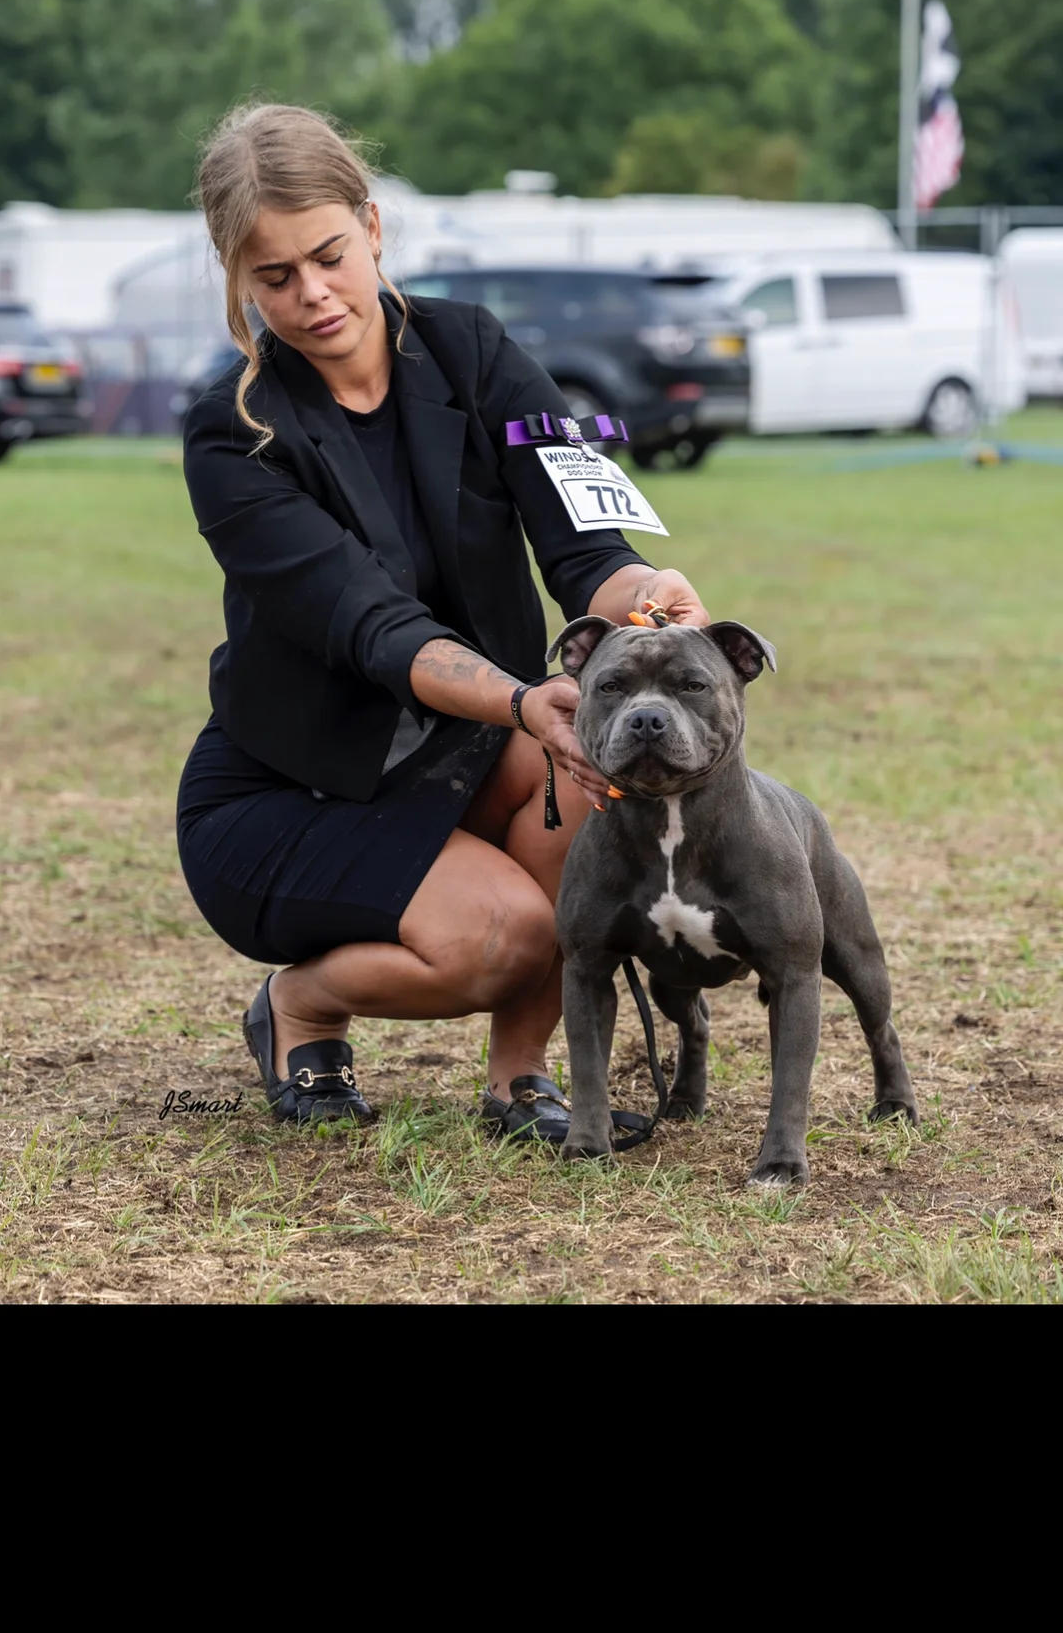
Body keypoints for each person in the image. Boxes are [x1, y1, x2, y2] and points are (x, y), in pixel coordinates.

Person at [178, 104, 710, 1143]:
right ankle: (301, 1006)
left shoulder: (475, 348)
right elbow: (373, 627)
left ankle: (520, 1083)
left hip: (461, 748)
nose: (312, 294)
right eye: (273, 276)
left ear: (373, 227)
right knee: (506, 934)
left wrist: (647, 587)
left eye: (328, 255)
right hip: (291, 791)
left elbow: (581, 545)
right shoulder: (229, 431)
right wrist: (520, 700)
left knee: (602, 782)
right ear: (238, 275)